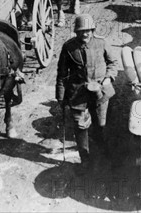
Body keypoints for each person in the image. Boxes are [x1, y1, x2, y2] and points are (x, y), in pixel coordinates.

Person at [56, 14, 119, 171]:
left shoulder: (102, 43)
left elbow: (113, 63)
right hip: (78, 93)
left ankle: (103, 154)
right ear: (76, 32)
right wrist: (61, 97)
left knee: (101, 124)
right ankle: (85, 159)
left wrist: (108, 78)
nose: (85, 34)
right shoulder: (68, 47)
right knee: (80, 126)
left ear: (93, 30)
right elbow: (62, 74)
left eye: (88, 31)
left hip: (101, 91)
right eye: (81, 31)